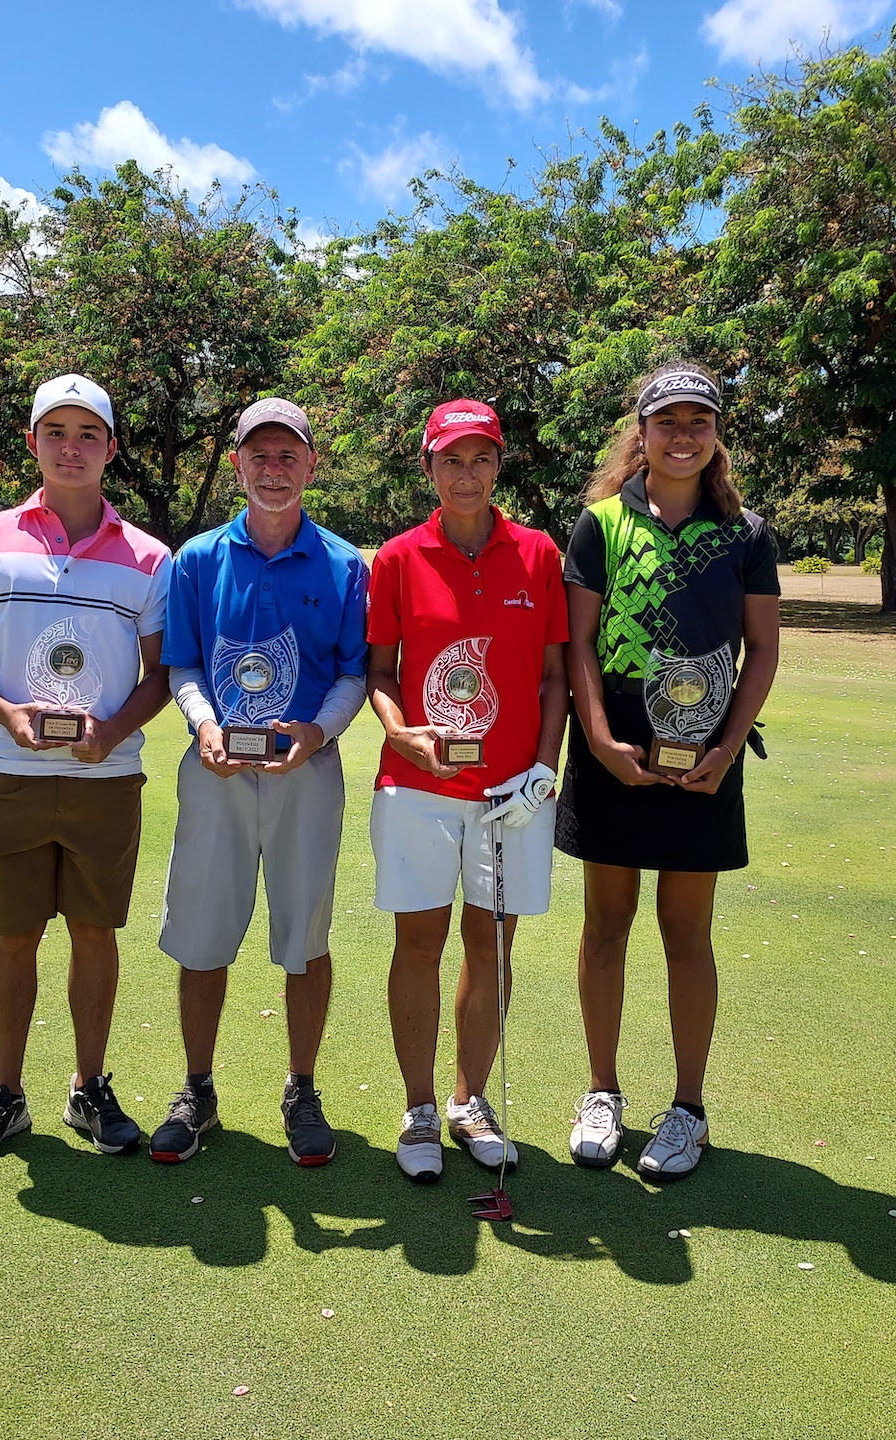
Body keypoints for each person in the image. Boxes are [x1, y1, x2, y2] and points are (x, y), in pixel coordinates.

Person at [0, 374, 174, 1170]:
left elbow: (163, 672)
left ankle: (88, 1085)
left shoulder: (147, 556)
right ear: (33, 442)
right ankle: (7, 1096)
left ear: (110, 447)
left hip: (106, 778)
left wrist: (116, 731)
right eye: (56, 432)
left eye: (88, 434)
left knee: (96, 935)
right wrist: (4, 712)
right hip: (10, 774)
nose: (72, 447)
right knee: (13, 937)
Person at [558, 361, 781, 1180]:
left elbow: (762, 651)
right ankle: (603, 1093)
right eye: (668, 423)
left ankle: (687, 1109)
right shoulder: (602, 523)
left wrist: (727, 748)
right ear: (641, 435)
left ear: (715, 437)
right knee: (606, 926)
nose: (683, 437)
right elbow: (577, 643)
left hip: (706, 751)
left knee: (686, 935)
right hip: (614, 742)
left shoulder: (747, 533)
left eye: (699, 423)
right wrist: (602, 737)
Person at [150, 398, 370, 1166]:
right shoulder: (198, 559)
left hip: (305, 769)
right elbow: (181, 663)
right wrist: (205, 724)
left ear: (311, 466)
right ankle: (198, 1089)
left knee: (305, 941)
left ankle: (302, 1087)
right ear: (236, 466)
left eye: (289, 457)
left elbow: (354, 673)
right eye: (259, 456)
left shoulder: (345, 565)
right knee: (203, 934)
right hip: (215, 768)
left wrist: (320, 731)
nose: (273, 471)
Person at [367, 399, 569, 1182]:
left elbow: (554, 679)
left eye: (481, 458)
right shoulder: (396, 559)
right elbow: (381, 672)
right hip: (417, 786)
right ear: (429, 467)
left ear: (499, 466)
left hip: (513, 792)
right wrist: (397, 730)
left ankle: (468, 1100)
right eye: (451, 459)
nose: (467, 474)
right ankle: (419, 1107)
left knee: (491, 943)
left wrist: (544, 768)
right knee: (418, 943)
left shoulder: (540, 555)